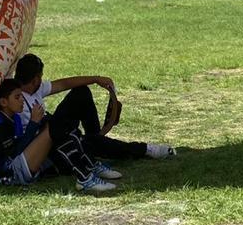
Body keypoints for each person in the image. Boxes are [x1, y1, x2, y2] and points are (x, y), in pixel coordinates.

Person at [14, 53, 175, 161]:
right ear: (35, 79)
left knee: (81, 92)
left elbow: (64, 83)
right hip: (48, 143)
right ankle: (144, 149)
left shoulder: (34, 89)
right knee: (95, 143)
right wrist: (35, 122)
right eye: (40, 77)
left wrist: (95, 79)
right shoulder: (17, 100)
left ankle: (96, 137)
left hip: (53, 131)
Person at [0, 78, 118, 193]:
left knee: (55, 127)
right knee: (53, 128)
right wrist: (33, 124)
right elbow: (14, 152)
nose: (22, 100)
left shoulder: (14, 117)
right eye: (17, 97)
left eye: (21, 96)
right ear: (3, 102)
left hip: (17, 165)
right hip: (9, 174)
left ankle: (88, 168)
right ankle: (85, 177)